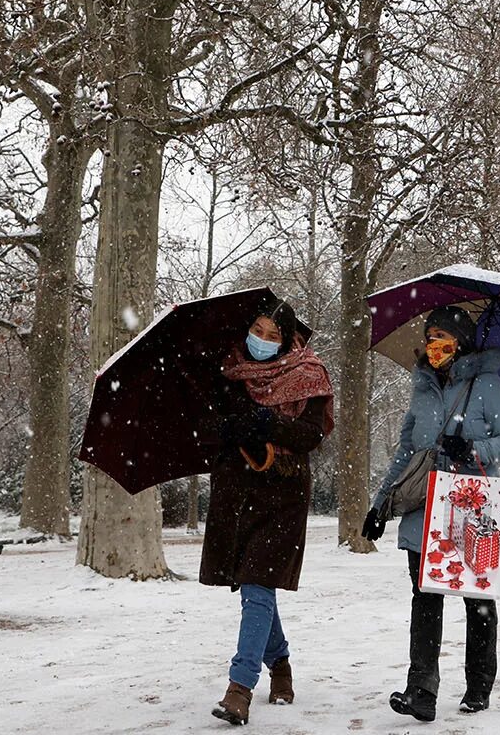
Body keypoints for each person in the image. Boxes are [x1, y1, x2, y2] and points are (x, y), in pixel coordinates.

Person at [362, 306, 500, 722]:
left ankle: (479, 685)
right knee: (425, 598)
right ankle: (422, 692)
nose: (434, 346)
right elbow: (405, 452)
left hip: (474, 507)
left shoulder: (488, 386)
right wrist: (380, 503)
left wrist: (472, 449)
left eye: (443, 337)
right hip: (426, 506)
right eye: (430, 337)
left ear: (461, 341)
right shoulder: (422, 388)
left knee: (477, 602)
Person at [202, 298, 334, 726]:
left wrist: (268, 425)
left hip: (283, 495)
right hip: (237, 495)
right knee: (254, 587)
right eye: (257, 330)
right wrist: (228, 428)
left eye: (273, 335)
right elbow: (212, 428)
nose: (261, 340)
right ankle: (280, 665)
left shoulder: (308, 374)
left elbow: (311, 435)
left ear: (287, 340)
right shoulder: (227, 372)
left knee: (258, 585)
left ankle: (239, 688)